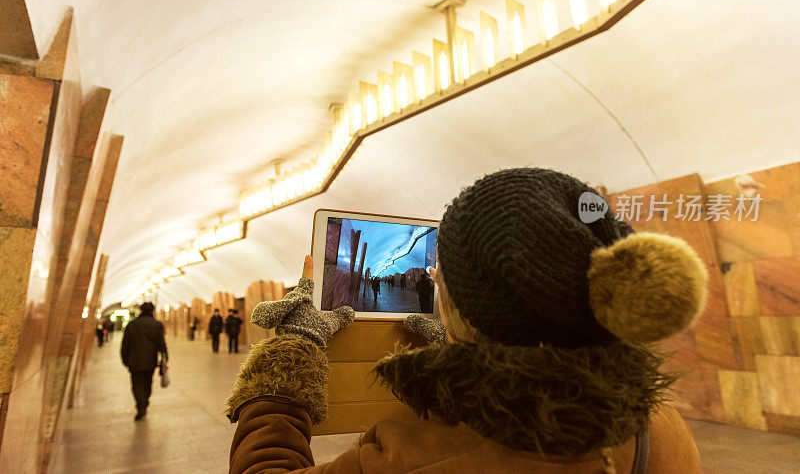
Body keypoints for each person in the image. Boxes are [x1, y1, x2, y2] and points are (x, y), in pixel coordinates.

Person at [224, 168, 707, 473]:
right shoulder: (655, 421)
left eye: (442, 274)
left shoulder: (413, 454)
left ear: (470, 312)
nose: (432, 275)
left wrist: (290, 355)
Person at [121, 302, 168, 421]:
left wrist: (125, 360)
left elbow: (125, 345)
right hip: (150, 361)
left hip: (134, 361)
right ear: (152, 311)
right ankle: (144, 403)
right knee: (147, 383)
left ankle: (140, 406)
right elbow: (161, 344)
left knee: (136, 385)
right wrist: (165, 359)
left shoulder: (131, 325)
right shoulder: (157, 325)